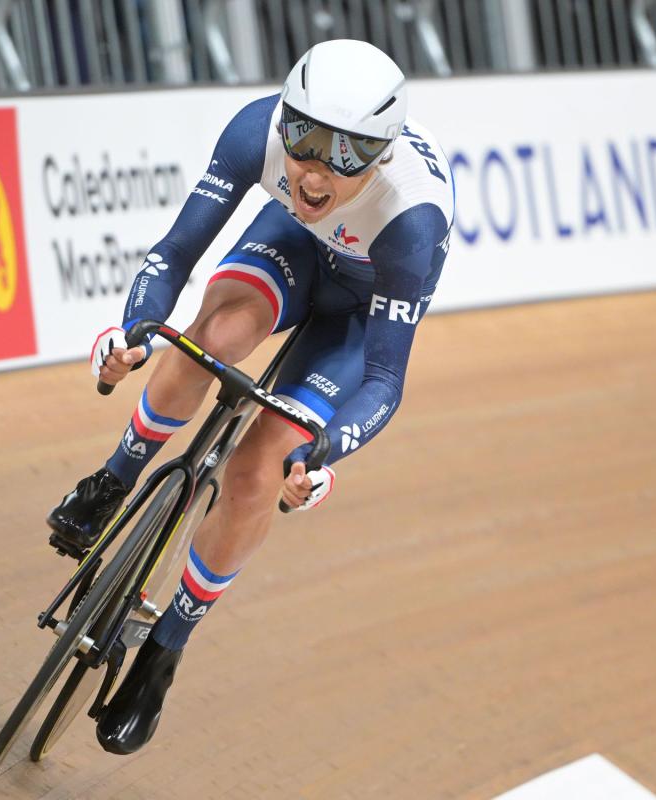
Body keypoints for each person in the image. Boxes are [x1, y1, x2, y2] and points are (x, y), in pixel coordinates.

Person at [47, 39, 454, 755]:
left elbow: (385, 382)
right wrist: (134, 331)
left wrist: (324, 454)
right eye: (303, 138)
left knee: (259, 467)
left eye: (347, 154)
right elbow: (174, 253)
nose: (315, 169)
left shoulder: (411, 222)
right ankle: (115, 475)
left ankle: (164, 651)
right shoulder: (254, 132)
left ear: (383, 155)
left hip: (356, 316)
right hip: (293, 250)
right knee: (216, 333)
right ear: (283, 119)